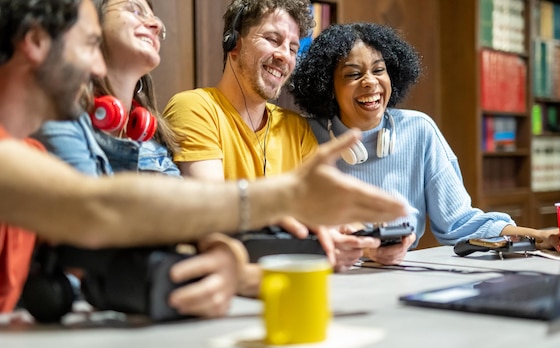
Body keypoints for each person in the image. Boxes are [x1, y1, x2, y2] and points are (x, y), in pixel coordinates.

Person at [0, 0, 407, 315]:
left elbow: (180, 224)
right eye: (91, 45)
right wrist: (281, 197)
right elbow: (96, 211)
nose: (96, 65)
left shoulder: (33, 149)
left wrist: (236, 269)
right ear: (35, 42)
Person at [289, 22, 560, 265]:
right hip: (327, 273)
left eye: (379, 70)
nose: (370, 82)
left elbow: (460, 222)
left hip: (399, 272)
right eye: (353, 74)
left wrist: (538, 236)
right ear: (328, 85)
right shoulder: (303, 134)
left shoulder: (419, 130)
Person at [162, 0, 381, 271]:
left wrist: (370, 243)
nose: (285, 56)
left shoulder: (295, 128)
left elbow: (331, 209)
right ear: (234, 43)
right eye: (272, 39)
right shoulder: (194, 107)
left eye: (292, 48)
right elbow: (215, 208)